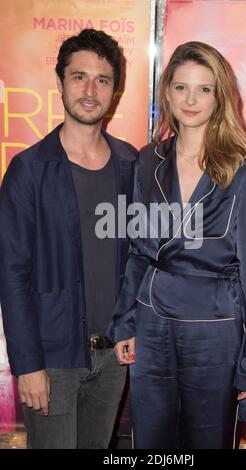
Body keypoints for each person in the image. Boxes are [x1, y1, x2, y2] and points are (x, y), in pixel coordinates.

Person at [107, 41, 246, 449]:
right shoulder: (148, 161)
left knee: (208, 441)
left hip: (214, 329)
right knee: (152, 441)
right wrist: (126, 321)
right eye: (181, 87)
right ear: (167, 92)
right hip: (153, 322)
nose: (191, 99)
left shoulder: (244, 168)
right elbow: (138, 249)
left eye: (204, 89)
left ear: (220, 96)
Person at [0, 28, 137, 449]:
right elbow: (12, 274)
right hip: (53, 359)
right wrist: (28, 366)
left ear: (115, 91)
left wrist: (129, 323)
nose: (90, 90)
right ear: (60, 83)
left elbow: (137, 258)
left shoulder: (130, 163)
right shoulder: (29, 170)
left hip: (113, 357)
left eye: (102, 79)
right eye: (79, 77)